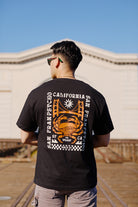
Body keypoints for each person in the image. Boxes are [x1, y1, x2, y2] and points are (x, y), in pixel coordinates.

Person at [16, 40, 114, 207]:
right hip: (83, 181)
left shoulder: (38, 93)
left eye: (50, 61)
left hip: (48, 180)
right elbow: (104, 140)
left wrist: (49, 138)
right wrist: (79, 140)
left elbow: (25, 137)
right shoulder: (96, 96)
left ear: (57, 61)